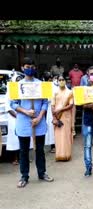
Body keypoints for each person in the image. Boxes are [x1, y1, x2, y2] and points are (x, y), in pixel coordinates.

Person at [10, 57, 54, 188]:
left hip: (38, 122)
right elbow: (13, 103)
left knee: (40, 150)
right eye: (27, 66)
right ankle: (24, 176)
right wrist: (25, 111)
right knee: (23, 151)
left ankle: (42, 173)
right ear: (22, 67)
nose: (29, 68)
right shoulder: (17, 86)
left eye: (31, 66)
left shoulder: (41, 84)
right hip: (23, 122)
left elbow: (45, 102)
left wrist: (40, 117)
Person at [5, 75, 32, 165]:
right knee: (15, 139)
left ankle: (24, 158)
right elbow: (8, 107)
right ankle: (15, 158)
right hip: (14, 118)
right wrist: (18, 115)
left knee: (24, 138)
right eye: (17, 80)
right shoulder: (10, 92)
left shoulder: (24, 91)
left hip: (24, 117)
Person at [52, 75, 74, 161]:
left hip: (66, 116)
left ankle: (67, 155)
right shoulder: (54, 92)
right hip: (57, 117)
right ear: (57, 81)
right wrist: (54, 117)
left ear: (65, 81)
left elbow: (71, 105)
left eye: (63, 79)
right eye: (59, 80)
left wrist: (60, 109)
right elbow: (52, 105)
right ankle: (59, 156)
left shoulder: (69, 92)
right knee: (58, 136)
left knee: (66, 136)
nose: (61, 81)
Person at [44, 74, 56, 152]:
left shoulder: (54, 86)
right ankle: (52, 146)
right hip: (48, 108)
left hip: (55, 107)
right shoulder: (45, 87)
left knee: (54, 127)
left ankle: (56, 145)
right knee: (50, 127)